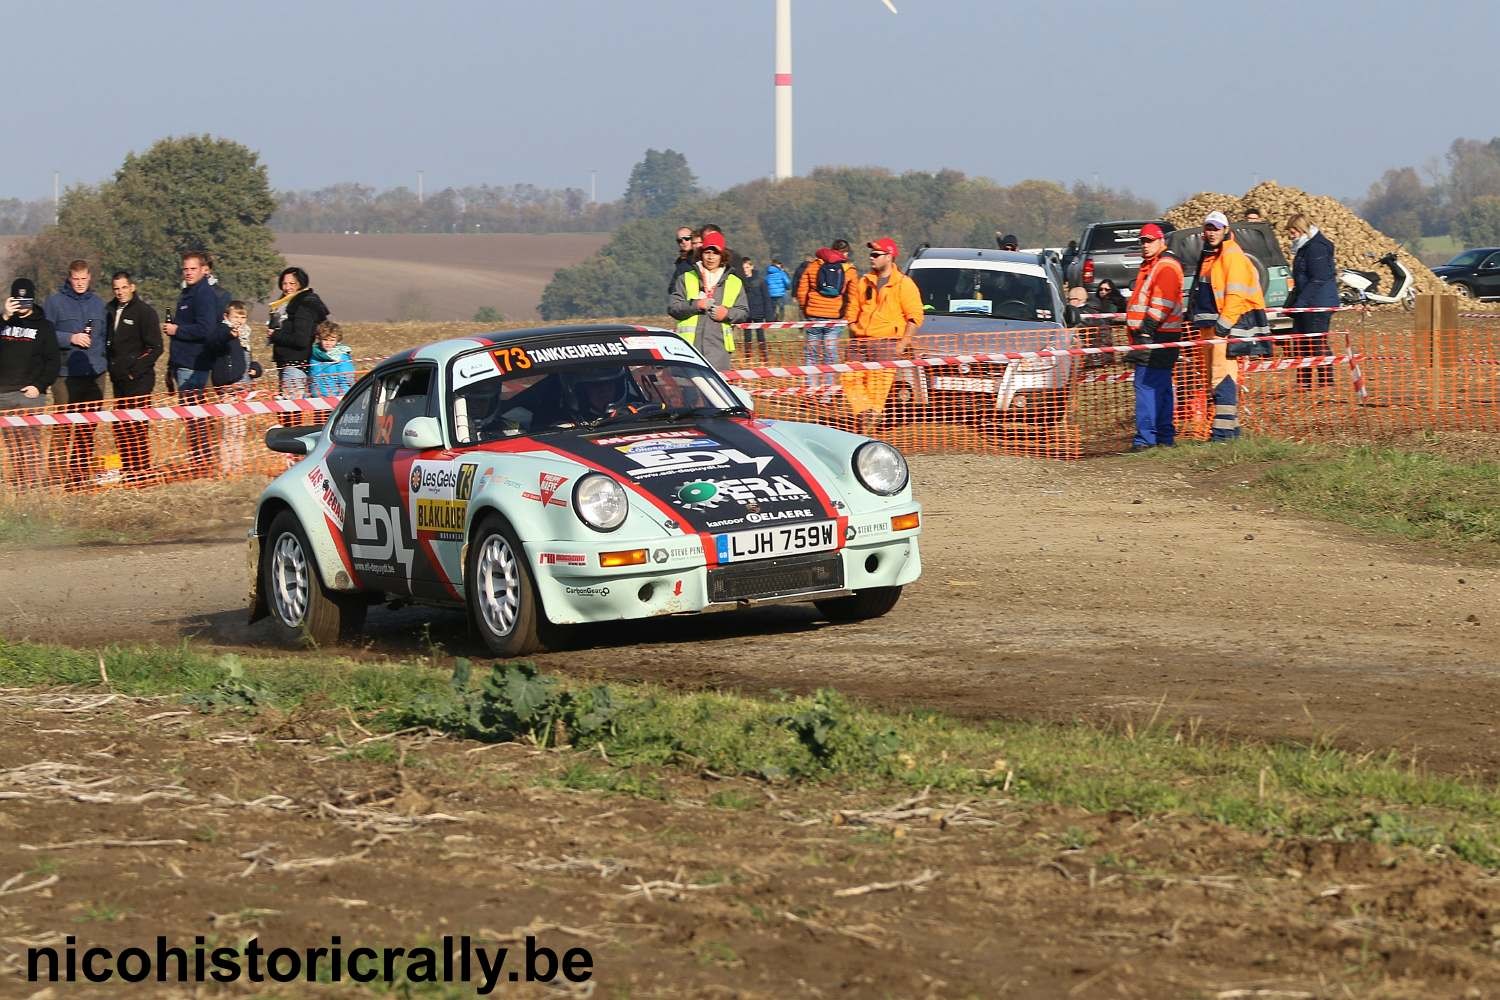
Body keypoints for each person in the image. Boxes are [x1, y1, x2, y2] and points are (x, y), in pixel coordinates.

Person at [1189, 211, 1268, 442]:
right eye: (1208, 228)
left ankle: (1222, 433)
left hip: (1223, 326)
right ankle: (1230, 431)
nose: (1211, 232)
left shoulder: (1231, 255)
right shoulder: (1210, 255)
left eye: (1216, 228)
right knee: (1215, 376)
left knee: (1221, 377)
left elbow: (1235, 294)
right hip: (1209, 326)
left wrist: (1223, 326)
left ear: (1226, 230)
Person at [841, 237, 923, 434]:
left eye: (876, 254)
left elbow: (915, 316)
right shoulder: (864, 281)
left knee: (877, 388)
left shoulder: (904, 284)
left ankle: (871, 419)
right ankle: (864, 413)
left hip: (887, 343)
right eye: (871, 254)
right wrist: (853, 326)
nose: (872, 258)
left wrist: (902, 344)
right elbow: (852, 309)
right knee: (848, 378)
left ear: (889, 256)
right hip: (859, 341)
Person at [42, 260, 109, 488]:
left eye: (83, 279)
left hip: (95, 373)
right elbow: (45, 333)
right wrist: (69, 338)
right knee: (63, 426)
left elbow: (105, 337)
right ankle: (56, 478)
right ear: (69, 278)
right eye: (76, 279)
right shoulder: (55, 302)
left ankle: (79, 476)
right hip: (65, 374)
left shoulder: (99, 304)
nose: (80, 283)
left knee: (87, 426)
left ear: (90, 277)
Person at [164, 250, 228, 471]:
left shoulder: (203, 295)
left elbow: (206, 329)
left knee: (197, 418)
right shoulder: (187, 293)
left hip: (195, 365)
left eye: (193, 269)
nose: (189, 273)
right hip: (182, 363)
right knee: (191, 419)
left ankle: (203, 463)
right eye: (186, 269)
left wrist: (177, 329)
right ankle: (198, 461)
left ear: (204, 270)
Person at [1124, 224, 1185, 451]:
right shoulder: (1154, 265)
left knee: (1147, 387)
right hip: (1160, 335)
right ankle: (1163, 437)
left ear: (1161, 241)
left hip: (1156, 335)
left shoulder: (1165, 266)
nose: (1145, 245)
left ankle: (1146, 440)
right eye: (1143, 241)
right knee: (1160, 387)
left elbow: (1163, 302)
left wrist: (1146, 330)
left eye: (1150, 240)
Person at [0, 279, 60, 488]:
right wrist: (5, 316)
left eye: (26, 301)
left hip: (30, 395)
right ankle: (18, 487)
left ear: (33, 300)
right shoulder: (4, 322)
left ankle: (33, 489)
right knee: (12, 446)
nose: (22, 305)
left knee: (30, 445)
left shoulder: (45, 327)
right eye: (18, 300)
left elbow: (53, 361)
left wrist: (40, 386)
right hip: (4, 395)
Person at [104, 271, 162, 481]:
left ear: (132, 287)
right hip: (117, 380)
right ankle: (127, 469)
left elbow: (156, 347)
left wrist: (134, 369)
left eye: (124, 287)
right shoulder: (109, 309)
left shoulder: (145, 312)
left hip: (139, 380)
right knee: (120, 426)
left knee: (137, 426)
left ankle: (141, 471)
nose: (120, 292)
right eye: (116, 289)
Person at [668, 231, 746, 371]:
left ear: (722, 256)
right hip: (688, 351)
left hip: (719, 353)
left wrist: (727, 314)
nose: (710, 257)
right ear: (701, 254)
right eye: (707, 252)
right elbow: (674, 307)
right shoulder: (685, 278)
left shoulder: (735, 282)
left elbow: (743, 311)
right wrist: (696, 305)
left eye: (715, 253)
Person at [266, 266, 329, 422]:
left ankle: (292, 444)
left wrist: (276, 335)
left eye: (292, 284)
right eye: (284, 283)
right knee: (287, 413)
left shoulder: (303, 306)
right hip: (287, 364)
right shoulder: (286, 305)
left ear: (301, 284)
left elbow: (301, 339)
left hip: (295, 365)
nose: (287, 287)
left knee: (291, 415)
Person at [1284, 213, 1337, 389]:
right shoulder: (1303, 247)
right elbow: (1301, 278)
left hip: (1318, 303)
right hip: (1305, 303)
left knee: (1316, 342)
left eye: (1292, 231)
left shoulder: (1316, 248)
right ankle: (1304, 382)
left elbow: (1318, 279)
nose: (1290, 236)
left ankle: (1326, 382)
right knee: (1300, 342)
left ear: (1301, 230)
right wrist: (1292, 303)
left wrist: (1301, 303)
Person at [796, 239, 856, 391]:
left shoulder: (815, 265)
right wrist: (847, 317)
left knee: (812, 354)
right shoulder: (849, 270)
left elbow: (802, 289)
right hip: (835, 318)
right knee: (830, 354)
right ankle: (829, 391)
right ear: (846, 253)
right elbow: (853, 296)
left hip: (813, 316)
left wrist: (806, 309)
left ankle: (811, 389)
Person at [211, 300, 254, 473]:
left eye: (242, 317)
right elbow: (214, 342)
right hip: (229, 387)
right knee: (229, 430)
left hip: (244, 386)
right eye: (236, 316)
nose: (239, 320)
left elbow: (246, 358)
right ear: (226, 317)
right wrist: (229, 335)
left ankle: (238, 467)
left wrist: (255, 368)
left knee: (240, 431)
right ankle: (226, 467)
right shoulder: (222, 331)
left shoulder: (244, 336)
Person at [309, 320, 355, 397]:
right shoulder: (314, 354)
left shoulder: (341, 355)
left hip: (334, 398)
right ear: (320, 339)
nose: (328, 343)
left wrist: (342, 398)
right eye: (325, 339)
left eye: (332, 340)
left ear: (337, 340)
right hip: (316, 399)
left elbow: (346, 380)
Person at [739, 257, 771, 363]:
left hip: (758, 312)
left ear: (752, 267)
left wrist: (769, 315)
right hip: (746, 313)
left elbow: (766, 298)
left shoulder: (761, 281)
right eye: (743, 268)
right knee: (747, 337)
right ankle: (747, 358)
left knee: (760, 336)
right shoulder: (739, 281)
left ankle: (764, 357)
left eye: (747, 267)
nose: (745, 270)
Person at [669, 225, 696, 293]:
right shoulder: (681, 263)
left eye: (687, 238)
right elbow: (672, 288)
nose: (683, 242)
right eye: (680, 240)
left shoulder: (702, 259)